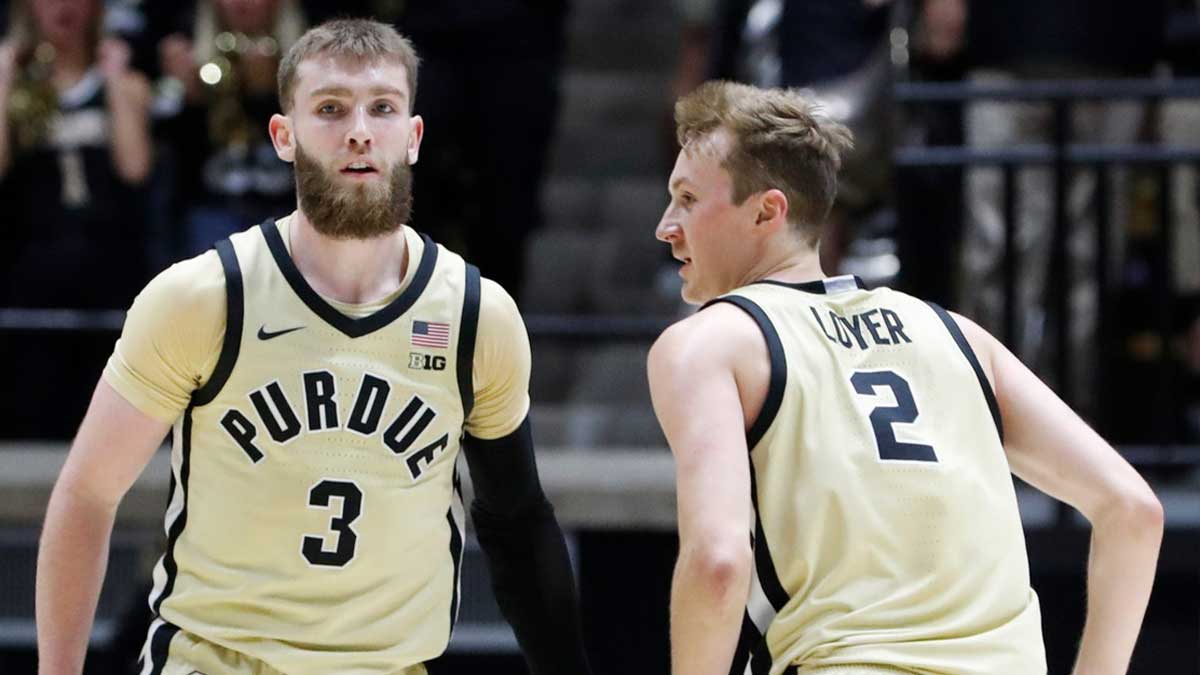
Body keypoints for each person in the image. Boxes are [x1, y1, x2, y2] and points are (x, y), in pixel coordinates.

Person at [36, 18, 591, 675]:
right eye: (330, 108)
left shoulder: (476, 316)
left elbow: (518, 522)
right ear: (283, 134)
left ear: (413, 137)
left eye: (382, 107)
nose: (359, 129)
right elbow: (87, 494)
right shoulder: (204, 296)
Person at [647, 80, 1163, 675]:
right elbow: (1133, 510)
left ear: (767, 210)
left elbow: (717, 561)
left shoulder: (708, 343)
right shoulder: (957, 335)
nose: (666, 225)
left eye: (687, 198)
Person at [0, 0, 154, 437]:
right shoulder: (12, 83)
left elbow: (135, 168)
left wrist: (113, 81)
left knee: (106, 413)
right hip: (28, 262)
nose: (62, 6)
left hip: (107, 262)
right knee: (32, 407)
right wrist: (5, 76)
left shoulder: (124, 81)